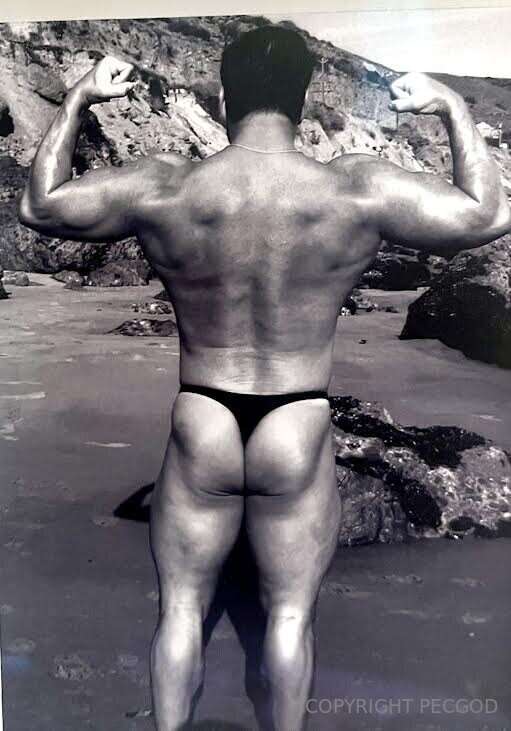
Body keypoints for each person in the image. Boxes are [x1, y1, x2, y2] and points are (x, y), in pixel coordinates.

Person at [19, 24, 511, 731]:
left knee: (181, 611)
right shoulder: (354, 187)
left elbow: (41, 206)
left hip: (204, 413)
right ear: (303, 103)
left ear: (223, 98)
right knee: (287, 618)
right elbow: (488, 214)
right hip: (296, 417)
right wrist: (451, 106)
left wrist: (77, 98)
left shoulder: (169, 185)